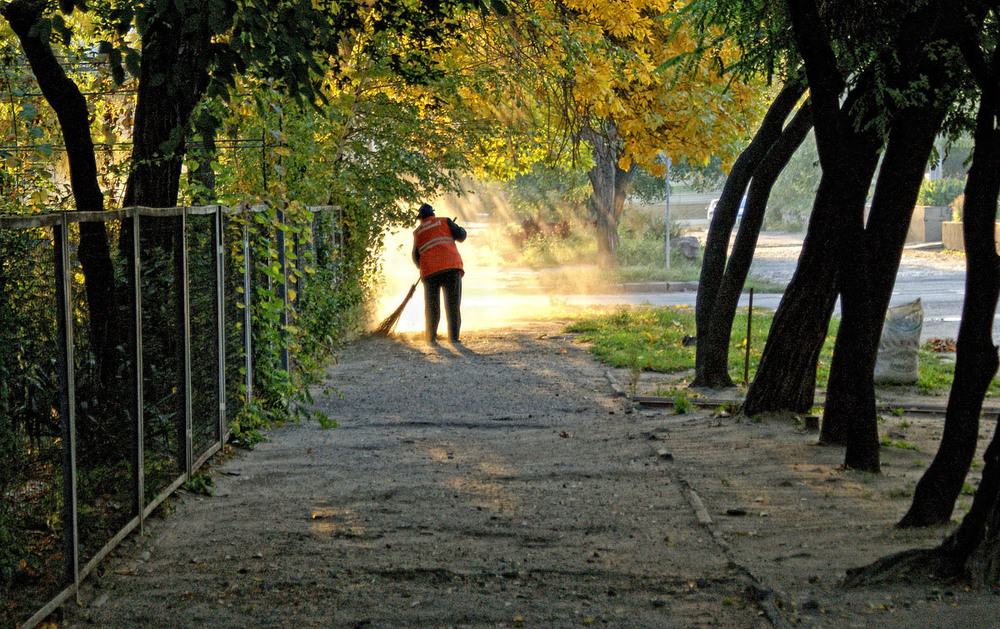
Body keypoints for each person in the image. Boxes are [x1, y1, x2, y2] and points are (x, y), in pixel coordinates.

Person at [412, 203, 467, 344]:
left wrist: (423, 267)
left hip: (430, 273)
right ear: (433, 214)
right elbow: (461, 236)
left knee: (432, 307)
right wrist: (458, 229)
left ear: (421, 218)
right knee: (453, 305)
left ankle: (431, 338)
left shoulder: (418, 232)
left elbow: (415, 256)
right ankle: (453, 338)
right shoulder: (445, 221)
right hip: (451, 268)